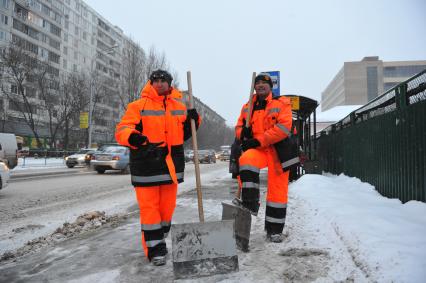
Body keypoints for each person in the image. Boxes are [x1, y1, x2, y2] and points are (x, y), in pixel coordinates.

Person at [115, 70, 200, 266]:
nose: (159, 84)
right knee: (149, 209)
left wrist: (194, 118)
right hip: (146, 164)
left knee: (166, 209)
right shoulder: (138, 106)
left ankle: (159, 237)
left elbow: (187, 133)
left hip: (171, 166)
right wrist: (133, 136)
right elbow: (122, 129)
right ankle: (156, 250)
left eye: (163, 81)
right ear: (151, 83)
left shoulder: (179, 106)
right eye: (156, 80)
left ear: (169, 84)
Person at [235, 72, 293, 243]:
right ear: (254, 87)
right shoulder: (247, 106)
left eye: (264, 83)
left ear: (270, 87)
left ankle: (274, 230)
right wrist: (242, 133)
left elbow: (283, 128)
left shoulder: (281, 103)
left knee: (278, 192)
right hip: (258, 150)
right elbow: (238, 128)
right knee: (246, 160)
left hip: (278, 151)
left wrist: (256, 141)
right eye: (257, 83)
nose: (260, 85)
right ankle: (250, 202)